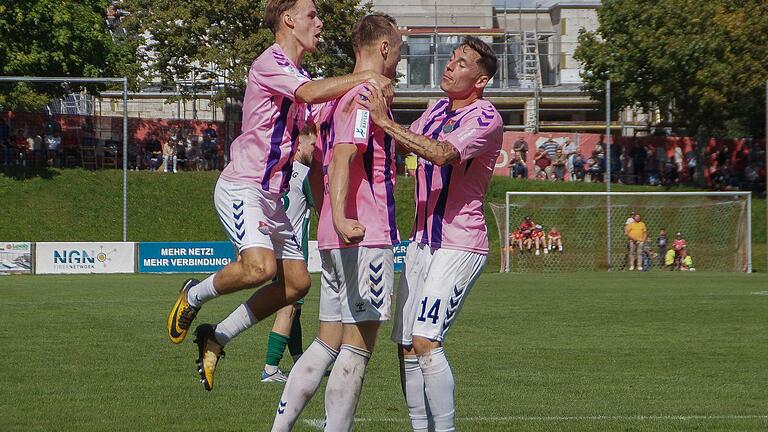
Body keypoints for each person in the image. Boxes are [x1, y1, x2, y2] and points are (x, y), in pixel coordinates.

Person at [166, 0, 394, 392]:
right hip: (244, 185)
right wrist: (367, 76)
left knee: (297, 284)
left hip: (272, 197)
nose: (320, 24)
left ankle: (216, 337)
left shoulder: (299, 73)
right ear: (288, 20)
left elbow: (310, 133)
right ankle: (195, 292)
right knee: (260, 268)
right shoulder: (269, 63)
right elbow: (308, 94)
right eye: (312, 15)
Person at [361, 35, 502, 432]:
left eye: (461, 63)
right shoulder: (436, 109)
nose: (450, 65)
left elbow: (440, 152)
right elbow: (406, 141)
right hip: (421, 242)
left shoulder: (486, 118)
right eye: (452, 59)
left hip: (459, 244)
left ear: (481, 80)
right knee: (406, 345)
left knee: (425, 339)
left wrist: (385, 121)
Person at [270, 13, 402, 431]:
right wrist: (345, 215)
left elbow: (312, 162)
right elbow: (345, 153)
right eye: (398, 49)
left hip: (331, 235)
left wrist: (330, 214)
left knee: (326, 342)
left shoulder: (330, 97)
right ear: (383, 48)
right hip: (363, 233)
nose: (398, 57)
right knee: (357, 349)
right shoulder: (365, 93)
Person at [260, 126, 316, 383]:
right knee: (288, 307)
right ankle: (270, 368)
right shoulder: (305, 174)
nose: (316, 151)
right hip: (293, 248)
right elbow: (321, 206)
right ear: (299, 146)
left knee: (294, 307)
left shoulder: (276, 171)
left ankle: (299, 361)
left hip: (273, 246)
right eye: (313, 146)